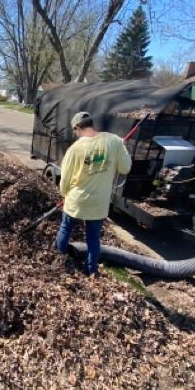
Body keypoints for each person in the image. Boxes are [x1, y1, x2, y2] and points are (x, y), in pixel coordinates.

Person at [55, 111, 132, 275]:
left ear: (77, 128)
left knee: (65, 229)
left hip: (76, 200)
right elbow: (125, 168)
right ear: (91, 124)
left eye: (74, 132)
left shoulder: (75, 149)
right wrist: (122, 149)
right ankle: (91, 270)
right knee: (93, 238)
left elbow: (65, 180)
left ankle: (59, 263)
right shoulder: (114, 141)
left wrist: (64, 194)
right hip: (99, 202)